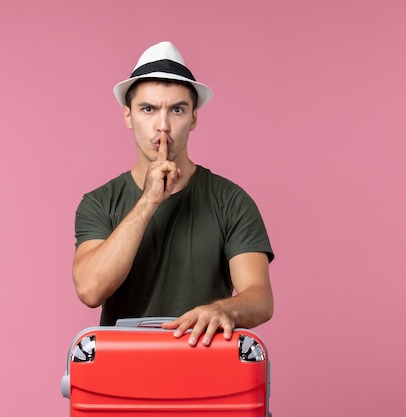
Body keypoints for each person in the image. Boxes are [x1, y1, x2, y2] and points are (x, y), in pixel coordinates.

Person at [72, 41, 274, 347]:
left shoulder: (231, 201)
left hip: (203, 369)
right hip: (122, 375)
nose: (162, 126)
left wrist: (223, 309)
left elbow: (260, 298)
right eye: (148, 109)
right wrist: (149, 200)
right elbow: (90, 289)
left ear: (193, 118)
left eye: (177, 110)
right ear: (128, 116)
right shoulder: (99, 202)